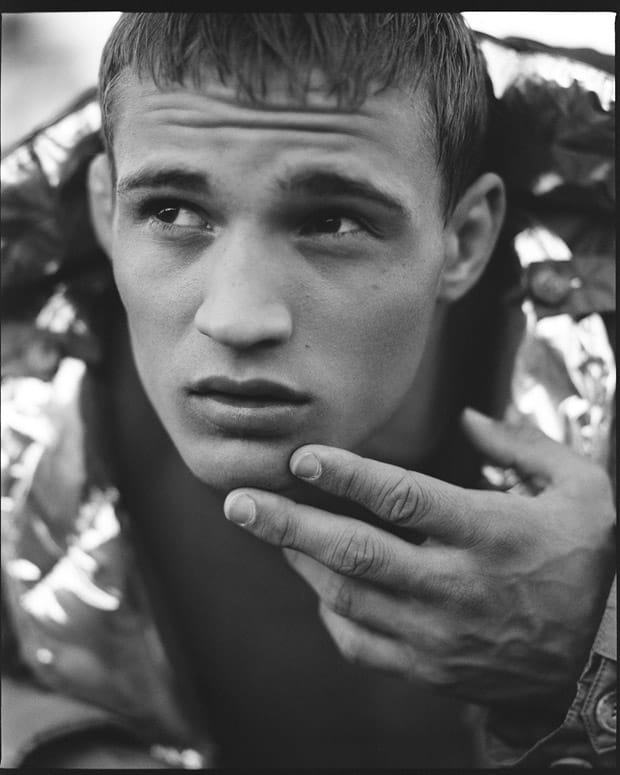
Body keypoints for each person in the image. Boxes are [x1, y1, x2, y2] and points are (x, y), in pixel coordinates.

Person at [1, 13, 615, 769]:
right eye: (171, 212)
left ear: (464, 241)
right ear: (106, 210)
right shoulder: (20, 404)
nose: (237, 317)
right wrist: (56, 748)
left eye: (333, 221)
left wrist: (596, 645)